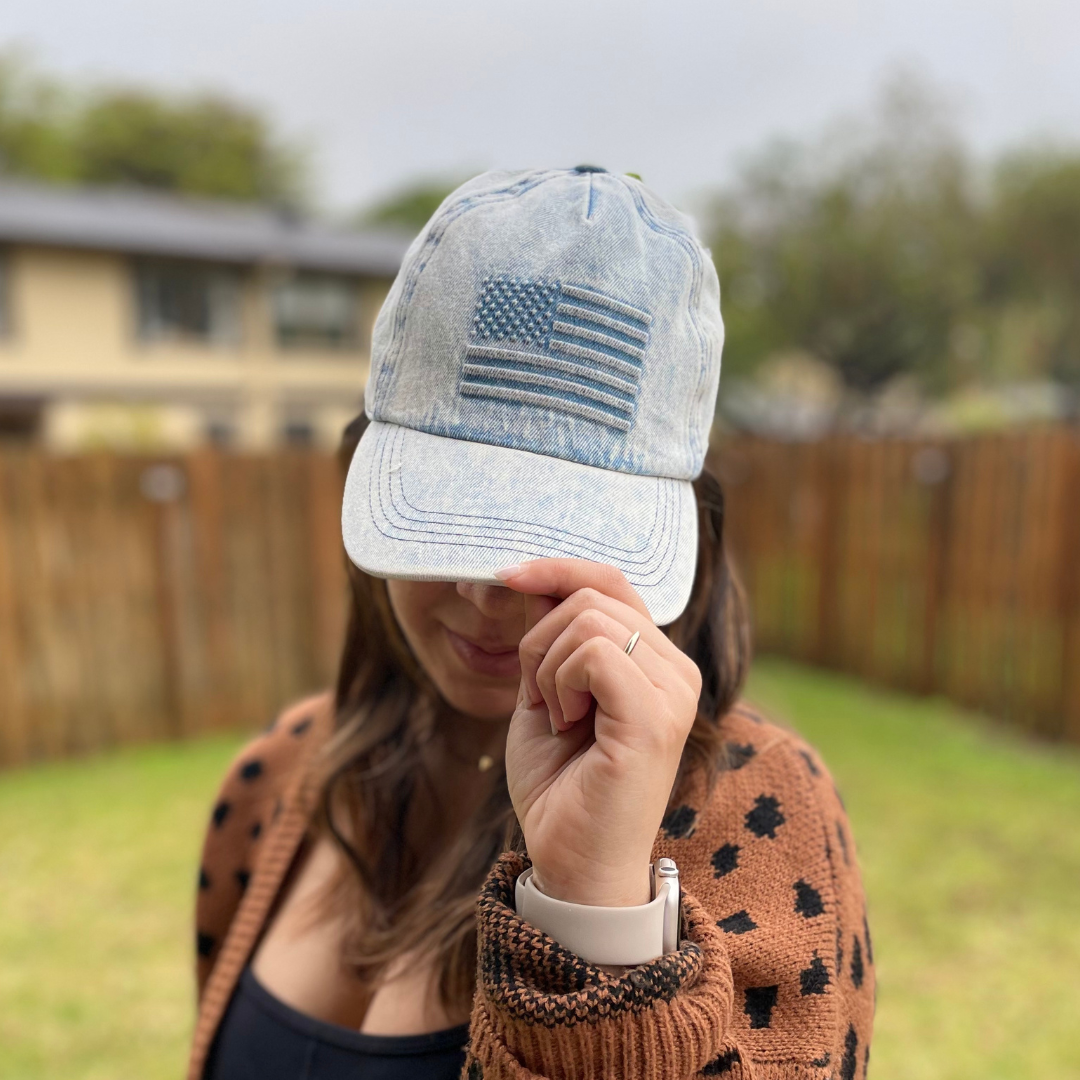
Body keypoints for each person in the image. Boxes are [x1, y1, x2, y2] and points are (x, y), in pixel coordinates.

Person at [188, 167, 874, 1080]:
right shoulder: (284, 774)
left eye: (556, 544)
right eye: (450, 524)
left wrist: (595, 909)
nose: (491, 595)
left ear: (688, 531)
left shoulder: (757, 807)